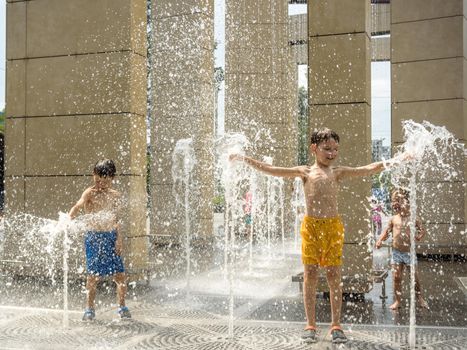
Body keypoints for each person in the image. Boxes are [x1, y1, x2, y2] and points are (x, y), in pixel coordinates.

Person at [230, 128, 409, 344]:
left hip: (332, 228)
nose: (332, 153)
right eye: (327, 149)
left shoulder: (338, 172)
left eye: (335, 149)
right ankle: (310, 324)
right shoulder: (304, 172)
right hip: (311, 228)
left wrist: (399, 159)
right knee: (310, 275)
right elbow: (271, 169)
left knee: (334, 276)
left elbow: (369, 168)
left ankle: (336, 325)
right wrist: (243, 159)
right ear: (314, 148)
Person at [69, 159, 131, 321]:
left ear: (112, 178)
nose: (101, 184)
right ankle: (89, 309)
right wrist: (68, 218)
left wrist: (119, 240)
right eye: (97, 180)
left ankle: (122, 307)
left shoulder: (115, 196)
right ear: (93, 176)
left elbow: (116, 219)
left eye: (105, 180)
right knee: (93, 276)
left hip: (111, 237)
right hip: (94, 238)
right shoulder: (89, 193)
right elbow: (77, 206)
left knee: (120, 275)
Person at [375, 188, 428, 310]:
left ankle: (420, 298)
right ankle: (397, 301)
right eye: (393, 201)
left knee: (414, 277)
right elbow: (386, 232)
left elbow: (422, 230)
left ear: (407, 202)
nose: (395, 204)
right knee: (396, 277)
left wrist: (419, 236)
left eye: (398, 200)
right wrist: (379, 240)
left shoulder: (414, 218)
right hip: (396, 252)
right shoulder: (394, 218)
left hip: (409, 253)